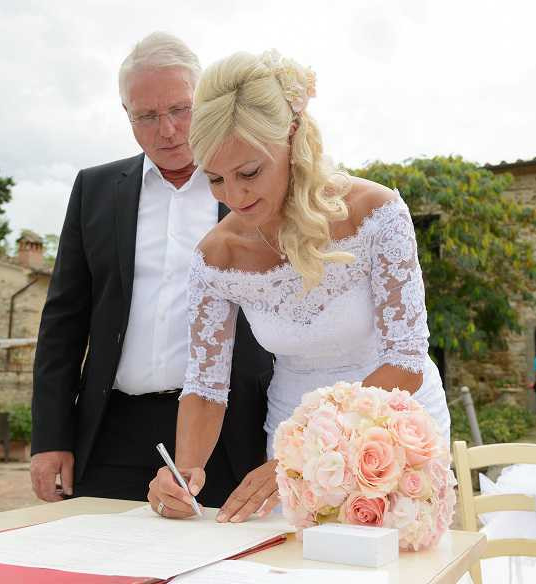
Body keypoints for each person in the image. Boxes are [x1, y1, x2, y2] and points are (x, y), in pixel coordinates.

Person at [147, 50, 450, 522]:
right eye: (215, 180)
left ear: (291, 139)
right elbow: (206, 386)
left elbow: (406, 361)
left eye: (249, 173)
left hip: (395, 424)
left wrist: (303, 454)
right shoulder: (215, 257)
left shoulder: (377, 212)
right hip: (288, 436)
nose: (234, 196)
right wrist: (183, 473)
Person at [30, 33, 273, 507]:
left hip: (233, 434)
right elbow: (62, 321)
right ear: (126, 114)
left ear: (206, 103)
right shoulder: (94, 189)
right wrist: (50, 436)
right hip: (113, 430)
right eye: (146, 115)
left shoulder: (255, 183)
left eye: (181, 109)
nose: (167, 130)